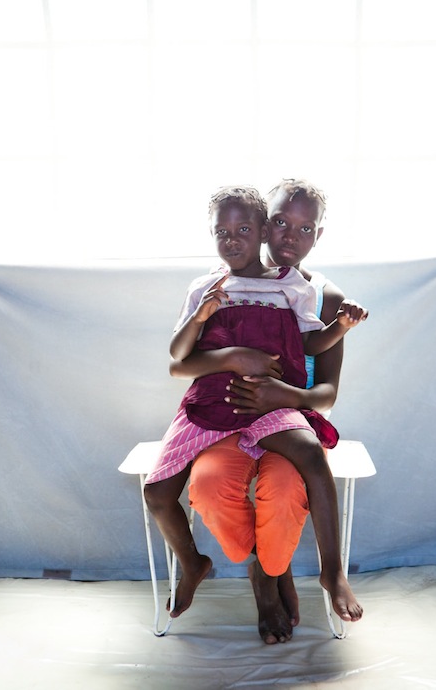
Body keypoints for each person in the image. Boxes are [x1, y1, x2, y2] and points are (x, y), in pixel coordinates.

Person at [143, 185, 367, 630]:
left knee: (298, 470)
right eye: (281, 222)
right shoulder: (208, 286)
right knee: (174, 490)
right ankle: (210, 564)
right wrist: (228, 351)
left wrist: (340, 327)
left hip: (279, 408)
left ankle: (324, 572)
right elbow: (178, 360)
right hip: (215, 406)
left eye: (304, 228)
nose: (289, 235)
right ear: (269, 226)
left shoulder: (301, 289)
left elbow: (315, 359)